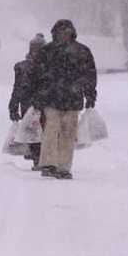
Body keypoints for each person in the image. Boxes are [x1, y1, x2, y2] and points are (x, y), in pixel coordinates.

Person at [29, 20, 97, 180]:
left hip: (66, 98)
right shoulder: (54, 51)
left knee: (67, 132)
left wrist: (90, 94)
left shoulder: (78, 51)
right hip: (54, 98)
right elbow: (36, 75)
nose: (64, 34)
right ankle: (50, 164)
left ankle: (63, 166)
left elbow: (89, 75)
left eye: (66, 31)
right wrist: (37, 96)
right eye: (61, 31)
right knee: (52, 130)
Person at [8, 33, 46, 169]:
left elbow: (17, 88)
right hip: (38, 104)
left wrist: (13, 106)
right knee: (37, 132)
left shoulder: (23, 66)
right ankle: (38, 159)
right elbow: (17, 88)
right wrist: (13, 107)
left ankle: (39, 159)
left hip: (33, 104)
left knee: (36, 132)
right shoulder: (47, 66)